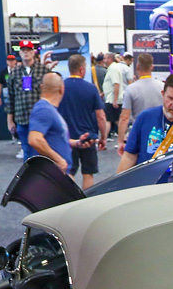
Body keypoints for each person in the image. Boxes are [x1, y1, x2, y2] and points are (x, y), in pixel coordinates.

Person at [117, 74, 173, 172]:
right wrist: (117, 185)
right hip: (148, 183)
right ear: (162, 94)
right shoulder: (145, 117)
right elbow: (130, 156)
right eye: (170, 98)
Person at [57, 55, 107, 189]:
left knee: (69, 172)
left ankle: (68, 202)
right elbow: (100, 116)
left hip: (67, 138)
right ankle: (85, 203)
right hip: (88, 138)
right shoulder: (91, 89)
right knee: (88, 173)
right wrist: (103, 137)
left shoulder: (61, 88)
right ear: (81, 70)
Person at [24, 73, 81, 175]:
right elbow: (35, 139)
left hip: (59, 172)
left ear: (42, 87)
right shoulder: (43, 109)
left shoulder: (50, 110)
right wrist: (58, 159)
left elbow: (55, 138)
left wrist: (76, 143)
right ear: (61, 89)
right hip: (51, 173)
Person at [6, 44, 51, 159]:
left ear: (33, 52)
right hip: (22, 118)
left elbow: (51, 94)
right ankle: (30, 176)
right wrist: (10, 120)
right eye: (23, 50)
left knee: (43, 152)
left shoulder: (44, 70)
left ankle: (44, 176)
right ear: (20, 53)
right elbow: (10, 97)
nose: (26, 53)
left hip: (40, 118)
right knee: (27, 152)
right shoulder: (14, 73)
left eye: (28, 50)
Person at [117, 53, 163, 137]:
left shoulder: (131, 89)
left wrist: (120, 140)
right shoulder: (162, 87)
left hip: (139, 133)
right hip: (159, 133)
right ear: (152, 67)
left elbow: (124, 117)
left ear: (137, 66)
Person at [102, 53, 129, 142]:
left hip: (112, 99)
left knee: (108, 120)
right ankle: (124, 138)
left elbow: (116, 83)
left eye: (105, 58)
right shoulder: (112, 68)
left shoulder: (113, 69)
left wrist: (114, 100)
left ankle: (103, 140)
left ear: (110, 59)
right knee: (117, 120)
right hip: (112, 98)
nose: (103, 60)